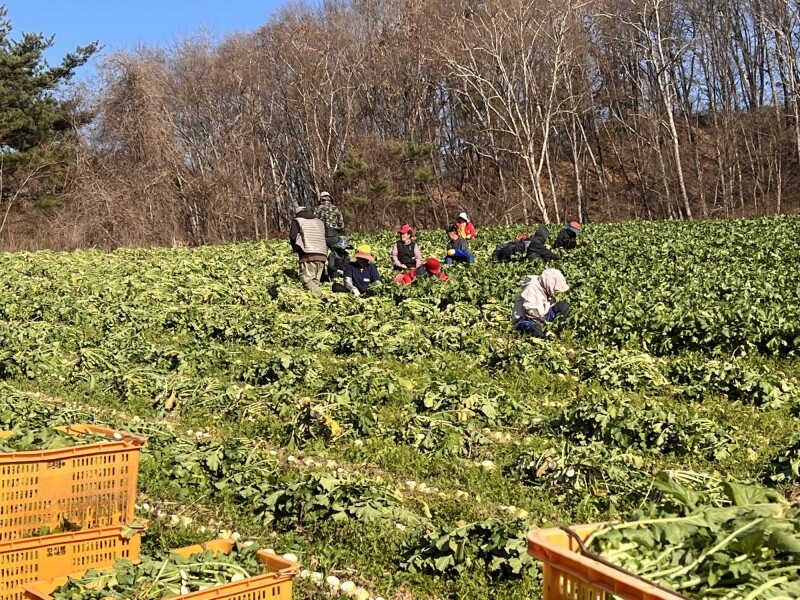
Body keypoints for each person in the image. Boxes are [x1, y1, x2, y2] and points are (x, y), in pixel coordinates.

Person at [511, 269, 570, 338]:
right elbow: (531, 312)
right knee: (536, 328)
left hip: (543, 316)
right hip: (526, 320)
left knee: (563, 306)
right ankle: (544, 339)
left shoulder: (544, 286)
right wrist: (544, 323)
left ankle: (556, 329)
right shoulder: (531, 288)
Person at [289, 205, 328, 292]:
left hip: (308, 254)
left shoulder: (297, 221)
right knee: (315, 283)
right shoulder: (319, 221)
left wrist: (296, 248)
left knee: (307, 281)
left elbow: (293, 236)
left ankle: (323, 296)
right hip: (322, 254)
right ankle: (320, 302)